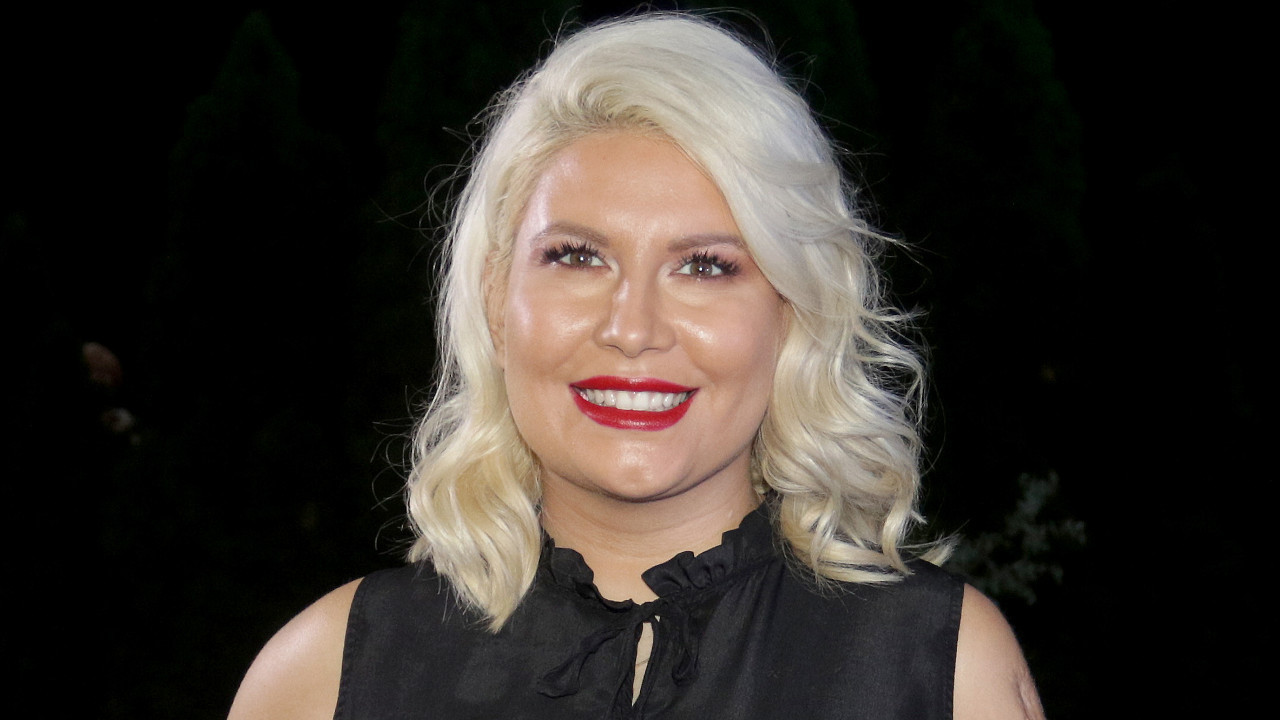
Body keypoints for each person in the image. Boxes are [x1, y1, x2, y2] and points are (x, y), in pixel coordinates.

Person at [229, 13, 1044, 720]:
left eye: (705, 266)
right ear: (495, 300)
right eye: (578, 256)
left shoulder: (939, 669)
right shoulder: (324, 675)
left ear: (792, 313)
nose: (632, 328)